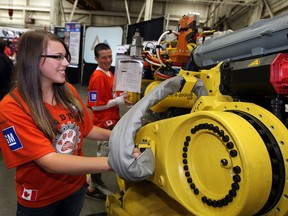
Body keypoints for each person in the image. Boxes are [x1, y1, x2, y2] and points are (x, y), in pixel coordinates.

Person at [0, 30, 117, 216]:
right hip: (41, 200)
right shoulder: (12, 107)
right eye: (58, 57)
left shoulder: (67, 91)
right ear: (33, 59)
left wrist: (119, 137)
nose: (66, 63)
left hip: (74, 188)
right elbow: (50, 161)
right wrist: (114, 162)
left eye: (66, 56)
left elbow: (86, 129)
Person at [86, 43, 133, 200]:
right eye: (104, 57)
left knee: (107, 155)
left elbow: (113, 96)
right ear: (96, 58)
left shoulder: (109, 74)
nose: (107, 60)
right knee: (104, 157)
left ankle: (91, 181)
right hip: (103, 123)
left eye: (110, 56)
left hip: (113, 120)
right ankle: (93, 186)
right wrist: (118, 101)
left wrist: (125, 98)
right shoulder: (97, 77)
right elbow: (96, 107)